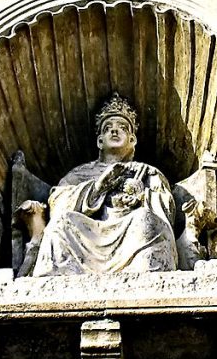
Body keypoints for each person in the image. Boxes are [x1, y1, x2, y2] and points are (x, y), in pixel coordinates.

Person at [30, 93, 178, 276]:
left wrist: (141, 195)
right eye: (108, 128)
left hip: (130, 232)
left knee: (148, 221)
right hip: (88, 233)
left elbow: (165, 212)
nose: (114, 131)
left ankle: (143, 274)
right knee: (61, 224)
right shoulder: (79, 173)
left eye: (122, 127)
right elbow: (58, 204)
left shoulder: (147, 172)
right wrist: (98, 187)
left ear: (132, 140)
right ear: (100, 141)